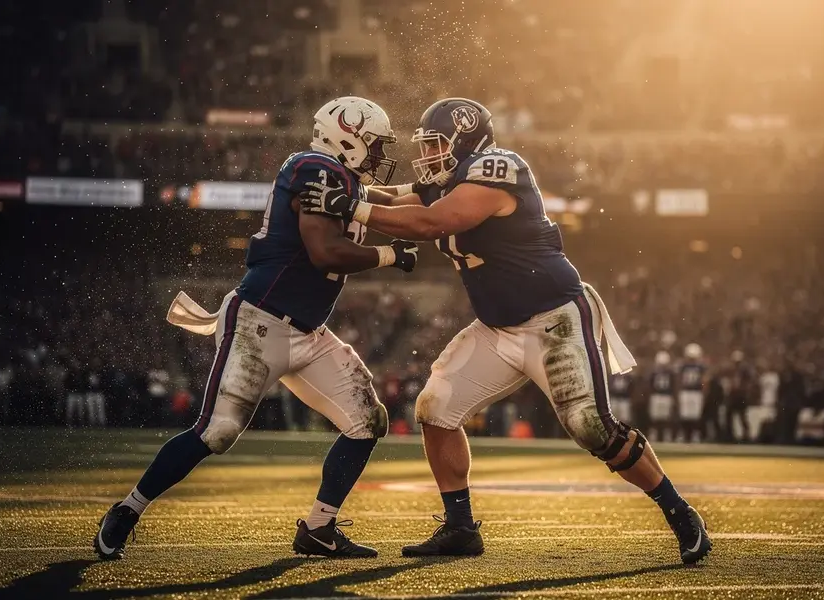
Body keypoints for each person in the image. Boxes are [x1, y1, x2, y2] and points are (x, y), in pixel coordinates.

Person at [300, 97, 712, 565]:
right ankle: (459, 528)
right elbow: (396, 198)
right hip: (497, 328)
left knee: (593, 428)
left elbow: (438, 221)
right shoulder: (449, 180)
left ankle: (680, 513)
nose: (429, 154)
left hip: (553, 319)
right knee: (435, 409)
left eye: (437, 144)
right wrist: (336, 185)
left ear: (466, 139)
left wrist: (350, 207)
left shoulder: (499, 168)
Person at [93, 97, 419, 561]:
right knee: (216, 432)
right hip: (260, 324)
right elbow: (324, 251)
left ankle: (319, 529)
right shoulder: (314, 167)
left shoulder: (342, 178)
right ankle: (129, 508)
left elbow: (395, 199)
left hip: (309, 332)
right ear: (348, 136)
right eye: (374, 146)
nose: (379, 157)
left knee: (367, 421)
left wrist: (440, 192)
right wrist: (391, 255)